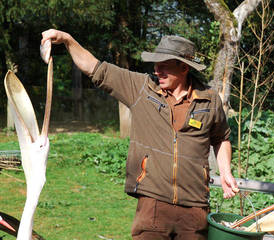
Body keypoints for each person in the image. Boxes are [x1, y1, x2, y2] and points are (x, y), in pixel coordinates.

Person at [41, 29, 239, 240]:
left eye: (164, 64)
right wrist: (67, 40)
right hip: (152, 206)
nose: (157, 69)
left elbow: (221, 138)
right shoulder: (142, 88)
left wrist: (225, 171)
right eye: (156, 63)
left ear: (184, 67)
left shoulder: (209, 99)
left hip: (194, 209)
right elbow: (96, 68)